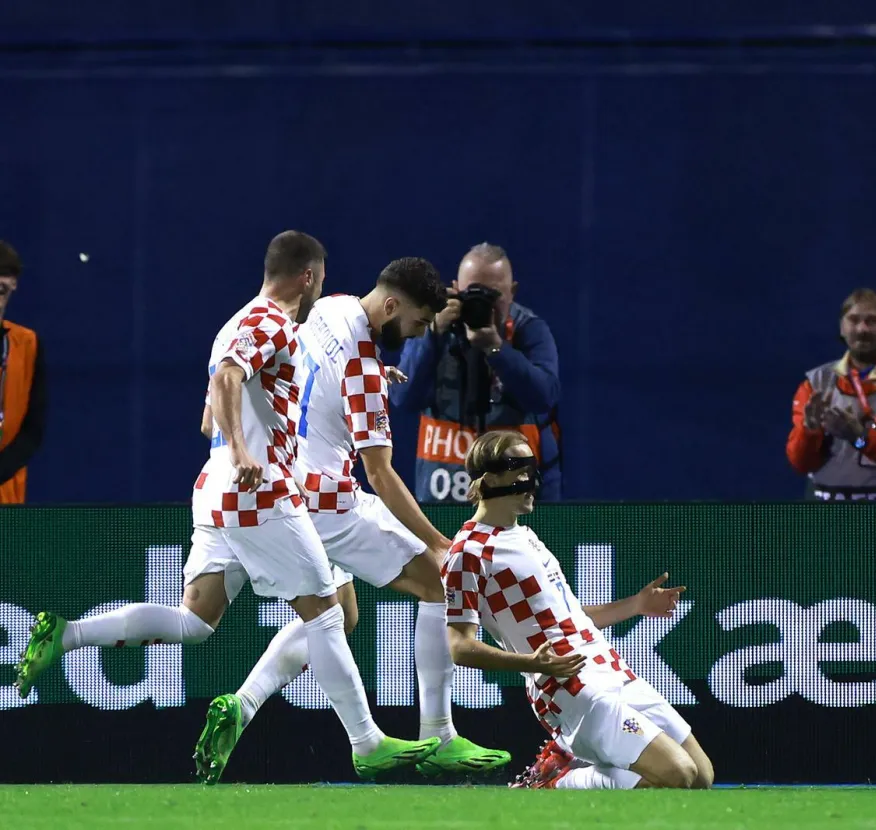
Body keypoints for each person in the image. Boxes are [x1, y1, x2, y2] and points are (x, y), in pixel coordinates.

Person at [13, 231, 439, 780]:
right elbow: (228, 377)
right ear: (308, 277)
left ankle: (66, 633)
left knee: (195, 620)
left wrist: (238, 431)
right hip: (258, 493)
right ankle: (367, 742)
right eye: (321, 280)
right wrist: (243, 448)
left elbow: (210, 412)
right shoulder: (272, 320)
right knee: (328, 613)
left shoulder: (236, 323)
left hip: (213, 489)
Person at [193, 257, 509, 783]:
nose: (416, 334)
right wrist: (437, 542)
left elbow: (297, 363)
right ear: (392, 305)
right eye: (415, 323)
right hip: (329, 501)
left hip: (288, 486)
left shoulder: (329, 308)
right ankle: (439, 735)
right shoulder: (363, 366)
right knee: (440, 581)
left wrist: (369, 377)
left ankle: (241, 707)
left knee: (339, 614)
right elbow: (381, 475)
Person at [443, 431, 713, 790]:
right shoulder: (469, 553)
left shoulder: (525, 536)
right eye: (520, 471)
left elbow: (568, 617)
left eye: (532, 469)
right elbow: (460, 647)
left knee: (701, 776)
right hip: (567, 686)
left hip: (609, 668)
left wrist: (636, 604)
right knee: (678, 775)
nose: (532, 481)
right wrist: (533, 663)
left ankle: (566, 766)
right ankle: (557, 781)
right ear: (490, 480)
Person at [388, 243, 562, 504]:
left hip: (516, 503)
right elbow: (402, 397)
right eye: (473, 293)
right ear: (455, 289)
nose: (484, 304)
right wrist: (432, 336)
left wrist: (496, 349)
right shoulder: (433, 330)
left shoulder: (528, 331)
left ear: (512, 292)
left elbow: (544, 398)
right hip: (442, 500)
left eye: (493, 295)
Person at [786, 288, 876, 500]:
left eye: (872, 321)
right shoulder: (815, 383)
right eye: (853, 320)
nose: (862, 329)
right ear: (842, 328)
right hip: (824, 507)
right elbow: (801, 464)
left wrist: (859, 438)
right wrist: (809, 432)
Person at [0, 241, 45, 504]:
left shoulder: (27, 344)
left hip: (7, 499)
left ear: (13, 286)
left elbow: (33, 428)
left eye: (1, 290)